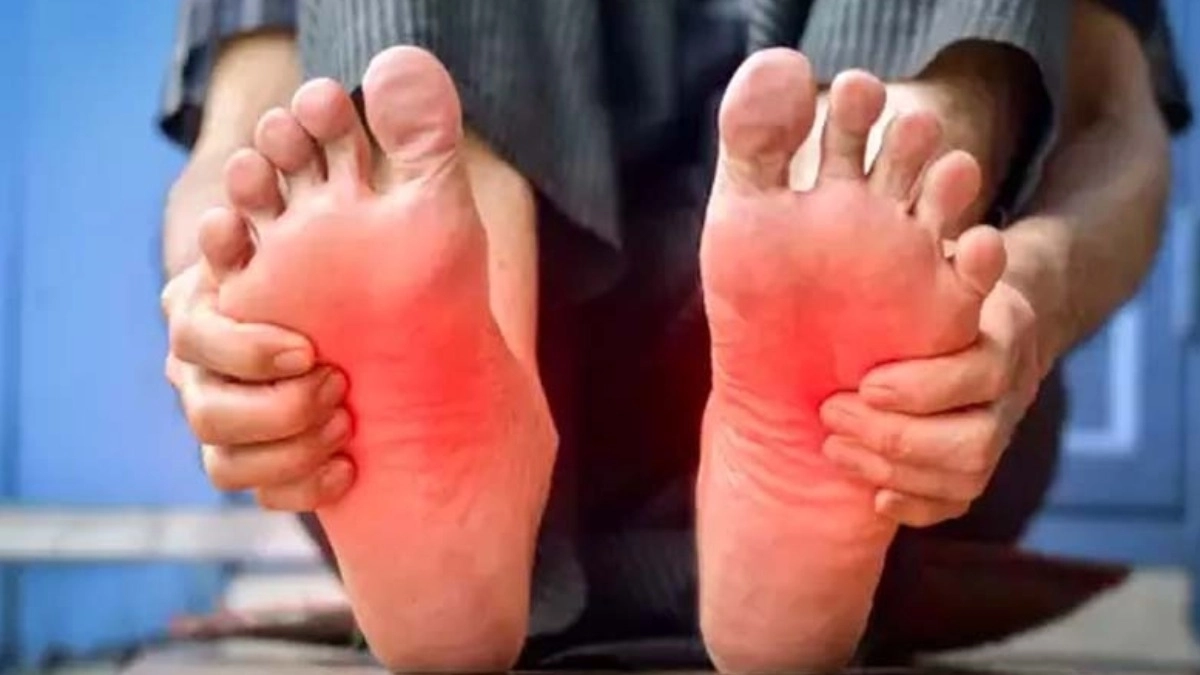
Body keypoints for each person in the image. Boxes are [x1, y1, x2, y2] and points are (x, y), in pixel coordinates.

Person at [158, 0, 1188, 671]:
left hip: (926, 437)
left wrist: (1025, 300)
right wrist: (217, 304)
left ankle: (871, 217)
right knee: (380, 146)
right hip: (856, 445)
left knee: (878, 238)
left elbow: (1111, 119)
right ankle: (459, 329)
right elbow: (239, 139)